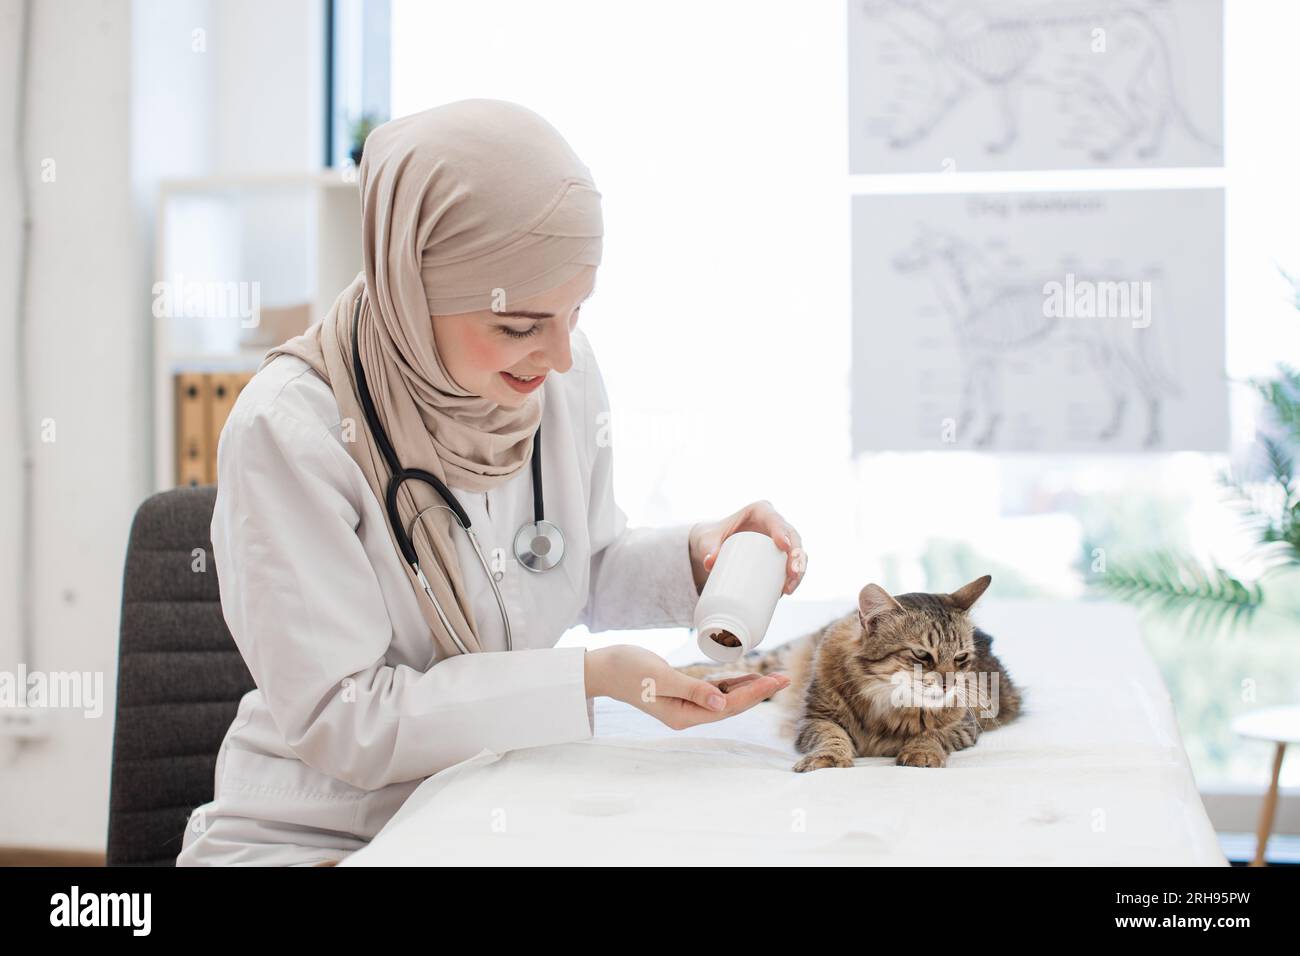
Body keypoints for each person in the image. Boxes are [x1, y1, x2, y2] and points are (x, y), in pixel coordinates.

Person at [176, 99, 807, 866]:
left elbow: (583, 566)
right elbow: (348, 719)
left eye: (575, 313)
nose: (560, 357)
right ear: (414, 285)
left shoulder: (552, 379)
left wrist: (698, 557)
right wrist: (587, 680)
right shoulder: (290, 430)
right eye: (520, 325)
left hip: (495, 804)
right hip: (325, 832)